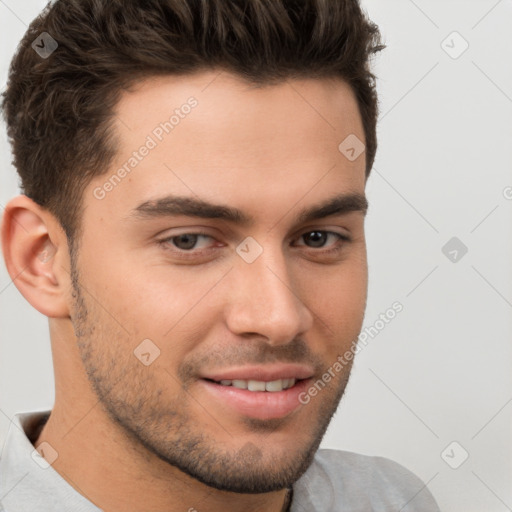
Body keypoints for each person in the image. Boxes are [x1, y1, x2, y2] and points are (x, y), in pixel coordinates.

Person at [0, 1, 441, 510]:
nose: (279, 317)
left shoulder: (391, 500)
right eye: (189, 241)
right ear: (43, 260)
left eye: (318, 238)